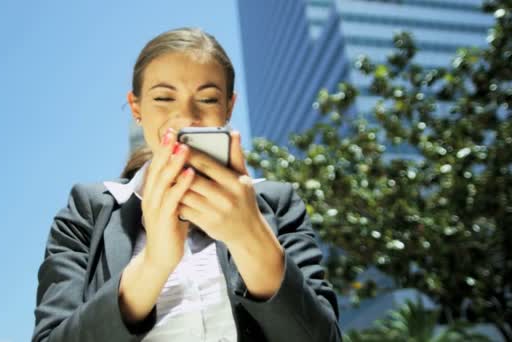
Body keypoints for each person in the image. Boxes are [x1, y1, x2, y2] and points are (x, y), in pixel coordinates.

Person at [32, 27, 341, 342]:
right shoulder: (88, 210)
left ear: (229, 107)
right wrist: (155, 262)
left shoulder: (276, 202)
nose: (186, 117)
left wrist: (250, 237)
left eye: (207, 98)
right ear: (136, 107)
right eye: (164, 97)